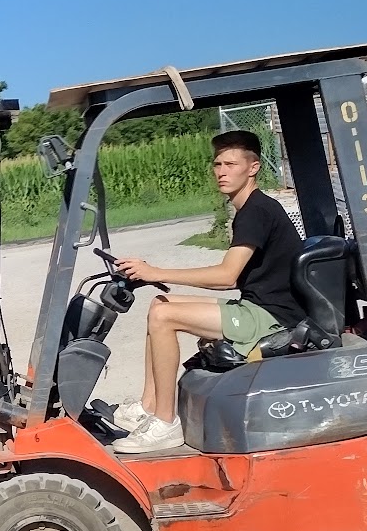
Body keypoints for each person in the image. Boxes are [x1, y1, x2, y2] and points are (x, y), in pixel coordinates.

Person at [109, 130, 304, 452]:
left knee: (164, 316)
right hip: (257, 308)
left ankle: (166, 423)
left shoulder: (256, 211)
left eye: (231, 164)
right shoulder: (250, 209)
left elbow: (227, 276)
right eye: (217, 164)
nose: (221, 172)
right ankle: (149, 405)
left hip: (272, 319)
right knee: (161, 302)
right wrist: (151, 275)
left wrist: (155, 271)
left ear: (253, 167)